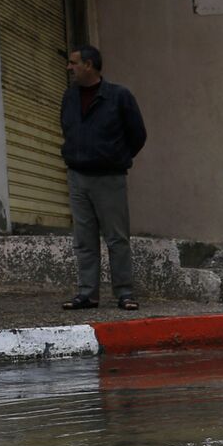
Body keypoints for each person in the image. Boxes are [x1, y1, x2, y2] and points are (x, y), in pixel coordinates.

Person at [59, 44, 147, 311]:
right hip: (78, 177)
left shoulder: (119, 96)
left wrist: (115, 157)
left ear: (89, 65)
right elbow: (67, 127)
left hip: (109, 177)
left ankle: (124, 293)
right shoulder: (70, 96)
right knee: (84, 239)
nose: (69, 67)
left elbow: (138, 135)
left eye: (73, 62)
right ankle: (87, 294)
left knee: (116, 238)